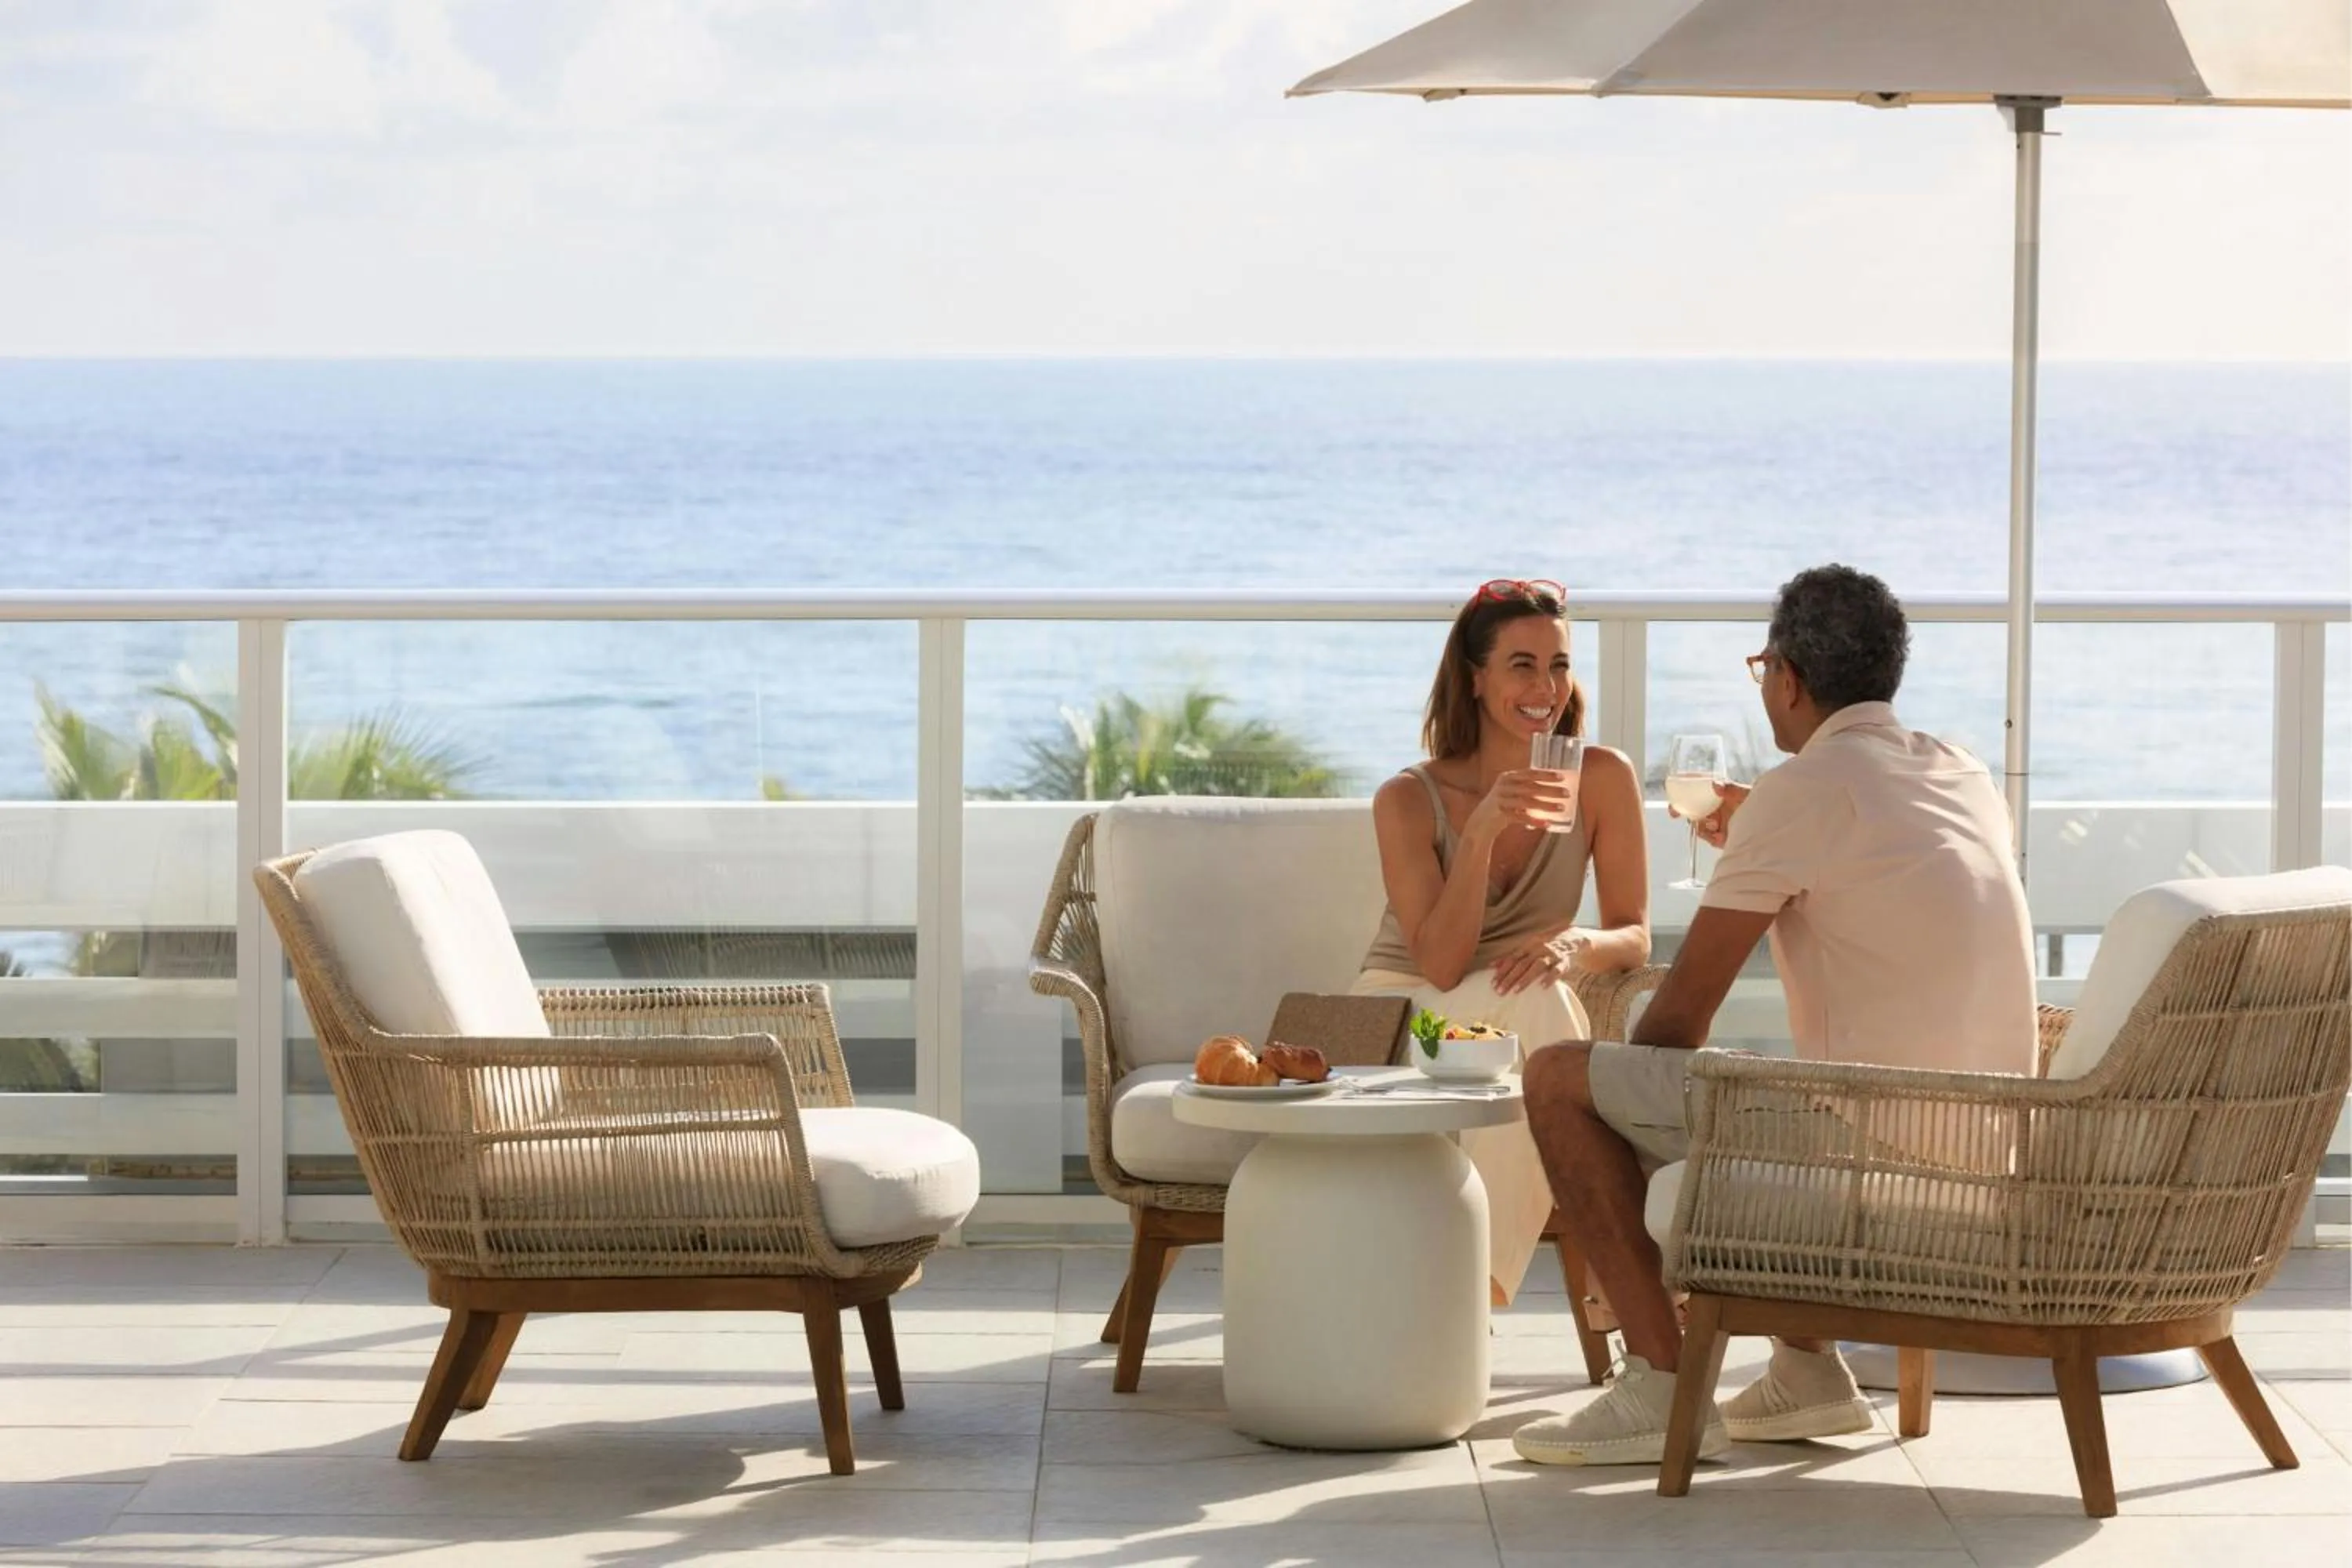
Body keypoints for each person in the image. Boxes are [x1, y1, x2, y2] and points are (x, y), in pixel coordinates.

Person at [1512, 562, 2037, 1468]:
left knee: (1565, 1078)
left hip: (1884, 1146)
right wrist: (1767, 829)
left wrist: (1622, 1163)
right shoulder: (1960, 769)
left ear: (1786, 677)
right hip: (1992, 1135)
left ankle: (1661, 1383)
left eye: (1763, 671)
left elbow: (1678, 1017)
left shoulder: (1801, 791)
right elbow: (1886, 871)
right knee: (1753, 1075)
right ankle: (1808, 1373)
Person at [1353, 577, 1652, 1305]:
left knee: (1539, 1012)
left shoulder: (1602, 776)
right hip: (1407, 1014)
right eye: (1522, 664)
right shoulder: (1406, 798)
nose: (1545, 686)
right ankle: (1608, 1270)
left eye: (1559, 665)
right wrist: (1481, 830)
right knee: (1549, 1040)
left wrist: (1574, 944)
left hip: (1524, 1009)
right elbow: (1443, 965)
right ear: (1476, 677)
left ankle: (1466, 1294)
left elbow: (1634, 934)